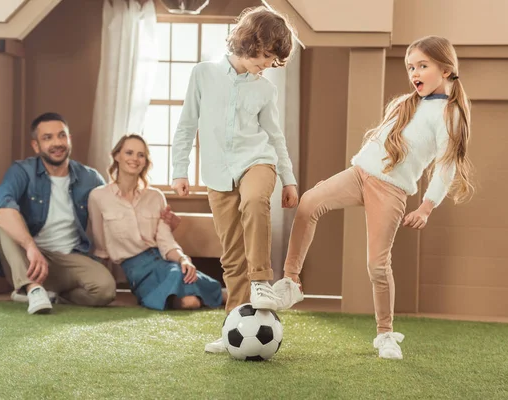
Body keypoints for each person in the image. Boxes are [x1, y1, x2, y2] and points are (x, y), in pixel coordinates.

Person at [277, 36, 474, 360]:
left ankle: (385, 334)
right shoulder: (405, 103)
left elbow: (446, 167)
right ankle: (290, 282)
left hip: (392, 191)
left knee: (377, 265)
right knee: (309, 202)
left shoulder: (449, 114)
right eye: (411, 67)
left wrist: (426, 207)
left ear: (446, 68)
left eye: (422, 65)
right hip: (359, 174)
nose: (414, 72)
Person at [171, 6, 304, 353]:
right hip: (217, 173)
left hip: (258, 162)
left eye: (274, 60)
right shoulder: (203, 74)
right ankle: (234, 325)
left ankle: (261, 279)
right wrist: (180, 170)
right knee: (231, 256)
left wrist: (289, 180)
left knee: (256, 200)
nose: (267, 65)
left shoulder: (265, 91)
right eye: (265, 55)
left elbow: (275, 139)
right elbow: (186, 125)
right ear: (249, 41)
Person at [0, 112, 116, 314]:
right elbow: (1, 208)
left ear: (69, 139)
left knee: (105, 289)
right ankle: (33, 289)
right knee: (6, 216)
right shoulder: (22, 171)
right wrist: (30, 246)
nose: (57, 143)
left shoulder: (90, 177)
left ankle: (53, 295)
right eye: (47, 138)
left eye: (61, 135)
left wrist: (156, 218)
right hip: (28, 258)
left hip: (69, 258)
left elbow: (116, 209)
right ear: (36, 146)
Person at [88, 134, 225, 310]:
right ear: (117, 156)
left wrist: (183, 259)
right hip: (136, 271)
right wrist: (103, 284)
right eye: (129, 153)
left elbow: (165, 241)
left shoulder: (155, 196)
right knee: (188, 293)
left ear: (145, 161)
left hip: (164, 260)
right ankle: (212, 295)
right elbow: (101, 248)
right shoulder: (98, 197)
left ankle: (226, 296)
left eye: (141, 155)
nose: (135, 159)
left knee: (186, 281)